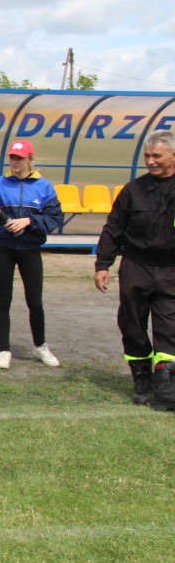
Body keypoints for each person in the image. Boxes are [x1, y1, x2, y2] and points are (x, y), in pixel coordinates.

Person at [94, 129, 175, 410]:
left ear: (173, 156)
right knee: (132, 325)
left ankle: (165, 385)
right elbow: (112, 229)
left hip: (171, 271)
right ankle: (142, 381)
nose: (150, 161)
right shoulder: (133, 190)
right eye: (147, 156)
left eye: (157, 156)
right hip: (136, 268)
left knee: (169, 329)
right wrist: (103, 264)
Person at [0, 140, 63, 370]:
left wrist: (28, 221)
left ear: (30, 160)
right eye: (12, 158)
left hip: (30, 249)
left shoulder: (44, 186)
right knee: (3, 299)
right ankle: (4, 350)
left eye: (19, 158)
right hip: (4, 249)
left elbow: (54, 218)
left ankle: (40, 346)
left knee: (35, 301)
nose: (15, 162)